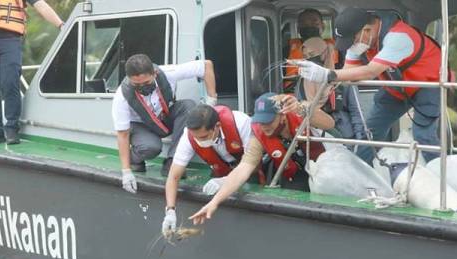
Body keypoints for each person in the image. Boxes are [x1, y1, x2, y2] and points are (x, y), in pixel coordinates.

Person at [294, 7, 442, 164]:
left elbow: (371, 71)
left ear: (366, 30)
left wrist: (327, 74)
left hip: (426, 85)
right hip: (396, 87)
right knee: (370, 132)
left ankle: (438, 178)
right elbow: (347, 73)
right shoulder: (360, 41)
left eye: (352, 41)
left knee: (423, 136)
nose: (351, 46)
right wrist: (325, 81)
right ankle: (361, 172)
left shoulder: (399, 37)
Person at [189, 93, 333, 225]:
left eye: (268, 121)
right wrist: (214, 202)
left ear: (282, 115)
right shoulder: (257, 135)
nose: (264, 126)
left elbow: (330, 124)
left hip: (326, 164)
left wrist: (302, 108)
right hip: (294, 171)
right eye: (261, 121)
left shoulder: (299, 113)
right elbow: (244, 168)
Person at [113, 54, 217, 194]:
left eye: (146, 83)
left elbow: (206, 65)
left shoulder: (168, 73)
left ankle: (172, 161)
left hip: (164, 116)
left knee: (188, 106)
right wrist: (126, 172)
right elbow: (123, 134)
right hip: (141, 125)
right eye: (137, 85)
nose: (142, 88)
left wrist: (211, 102)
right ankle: (134, 158)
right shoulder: (122, 96)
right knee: (151, 147)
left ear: (154, 74)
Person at [0, 0, 64, 147]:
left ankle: (11, 128)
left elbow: (41, 6)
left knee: (10, 83)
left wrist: (61, 24)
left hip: (9, 41)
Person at [162, 104, 252, 234]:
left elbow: (250, 164)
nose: (199, 140)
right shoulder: (189, 135)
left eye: (203, 137)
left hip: (252, 169)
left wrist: (223, 181)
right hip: (223, 169)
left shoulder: (241, 123)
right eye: (195, 137)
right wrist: (170, 210)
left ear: (217, 126)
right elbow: (173, 176)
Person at [295, 37, 364, 140]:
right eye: (306, 56)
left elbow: (356, 112)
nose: (309, 59)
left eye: (312, 55)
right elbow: (301, 113)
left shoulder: (343, 79)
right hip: (318, 137)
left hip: (346, 137)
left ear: (324, 53)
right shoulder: (301, 84)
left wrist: (360, 140)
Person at [284, 8, 342, 89]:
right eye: (303, 24)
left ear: (323, 26)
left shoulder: (338, 48)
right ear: (298, 28)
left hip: (328, 90)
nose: (309, 26)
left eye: (314, 22)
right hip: (294, 90)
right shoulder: (286, 49)